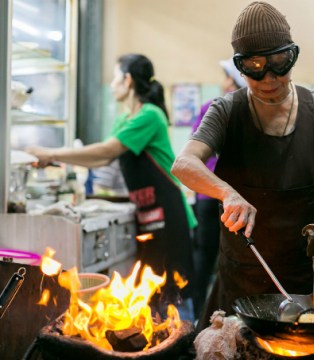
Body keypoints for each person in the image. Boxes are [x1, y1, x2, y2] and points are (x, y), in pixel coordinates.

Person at [171, 1, 314, 330]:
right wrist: (227, 193)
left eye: (279, 63)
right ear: (240, 67)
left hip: (309, 282)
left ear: (292, 56)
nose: (270, 78)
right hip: (242, 279)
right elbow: (184, 164)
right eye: (255, 67)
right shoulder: (226, 111)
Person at [27, 53, 197, 321]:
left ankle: (186, 344)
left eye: (116, 77)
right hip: (147, 215)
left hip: (170, 214)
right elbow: (101, 157)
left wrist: (52, 153)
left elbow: (107, 152)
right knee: (152, 291)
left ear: (128, 80)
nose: (111, 84)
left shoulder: (150, 115)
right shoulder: (124, 119)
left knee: (176, 290)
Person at [191, 58, 246, 320]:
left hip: (209, 194)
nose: (223, 82)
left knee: (206, 257)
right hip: (230, 196)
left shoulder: (212, 107)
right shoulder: (247, 113)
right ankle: (219, 313)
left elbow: (196, 151)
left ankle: (201, 313)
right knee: (227, 258)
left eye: (227, 77)